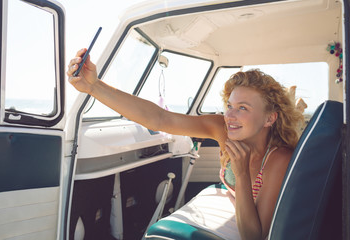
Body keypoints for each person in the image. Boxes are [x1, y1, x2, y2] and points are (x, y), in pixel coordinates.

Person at [67, 48, 304, 240]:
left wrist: (241, 174)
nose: (230, 116)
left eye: (243, 108)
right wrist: (93, 86)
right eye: (230, 106)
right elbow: (160, 118)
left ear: (270, 118)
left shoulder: (278, 159)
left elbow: (254, 236)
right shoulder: (222, 128)